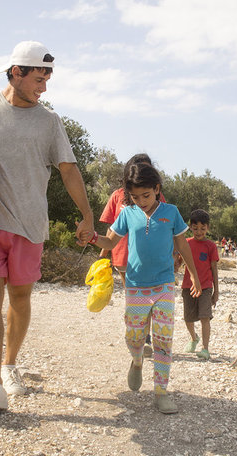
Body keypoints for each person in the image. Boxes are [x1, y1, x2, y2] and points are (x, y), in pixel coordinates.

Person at [0, 41, 94, 412]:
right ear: (16, 72)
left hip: (30, 224)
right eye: (38, 78)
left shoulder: (49, 121)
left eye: (47, 78)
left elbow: (68, 169)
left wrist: (87, 215)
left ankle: (11, 365)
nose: (44, 86)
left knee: (21, 297)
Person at [85, 163, 201, 414]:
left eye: (146, 195)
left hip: (164, 286)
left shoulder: (171, 213)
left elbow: (183, 246)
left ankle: (161, 392)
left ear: (157, 189)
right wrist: (92, 237)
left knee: (163, 339)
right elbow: (109, 241)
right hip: (136, 287)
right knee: (134, 337)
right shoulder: (127, 213)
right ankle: (137, 361)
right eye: (135, 197)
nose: (141, 201)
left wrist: (194, 275)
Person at [98, 153, 166, 358]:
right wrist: (103, 257)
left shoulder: (157, 197)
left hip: (150, 257)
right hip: (122, 256)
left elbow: (165, 226)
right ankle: (141, 337)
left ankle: (144, 337)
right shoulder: (117, 196)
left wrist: (173, 255)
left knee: (149, 299)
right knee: (135, 298)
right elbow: (111, 229)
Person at [178, 209, 219, 360]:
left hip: (206, 287)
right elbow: (178, 263)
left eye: (203, 228)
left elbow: (214, 269)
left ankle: (205, 349)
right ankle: (194, 338)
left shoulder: (211, 246)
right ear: (190, 227)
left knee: (205, 317)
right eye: (195, 228)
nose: (199, 232)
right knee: (188, 318)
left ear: (208, 227)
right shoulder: (186, 243)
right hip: (188, 286)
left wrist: (216, 291)